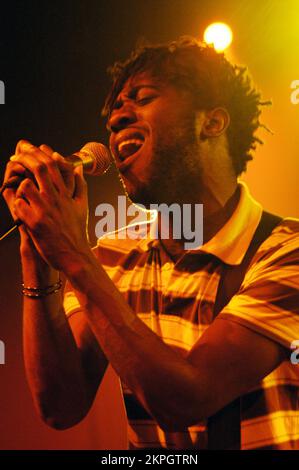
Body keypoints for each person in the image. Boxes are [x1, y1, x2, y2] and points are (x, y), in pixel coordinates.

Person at [2, 37, 299, 450]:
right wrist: (37, 252)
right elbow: (60, 406)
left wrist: (72, 254)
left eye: (142, 98)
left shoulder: (287, 250)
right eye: (115, 109)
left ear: (211, 122)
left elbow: (188, 397)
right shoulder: (113, 255)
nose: (116, 119)